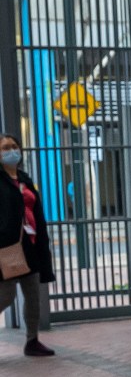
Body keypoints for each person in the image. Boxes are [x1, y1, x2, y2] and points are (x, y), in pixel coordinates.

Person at [0, 133, 56, 357]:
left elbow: (35, 209)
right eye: (5, 148)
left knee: (33, 295)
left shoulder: (24, 178)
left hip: (30, 245)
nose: (11, 151)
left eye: (14, 146)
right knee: (6, 294)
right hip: (8, 246)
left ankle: (32, 341)